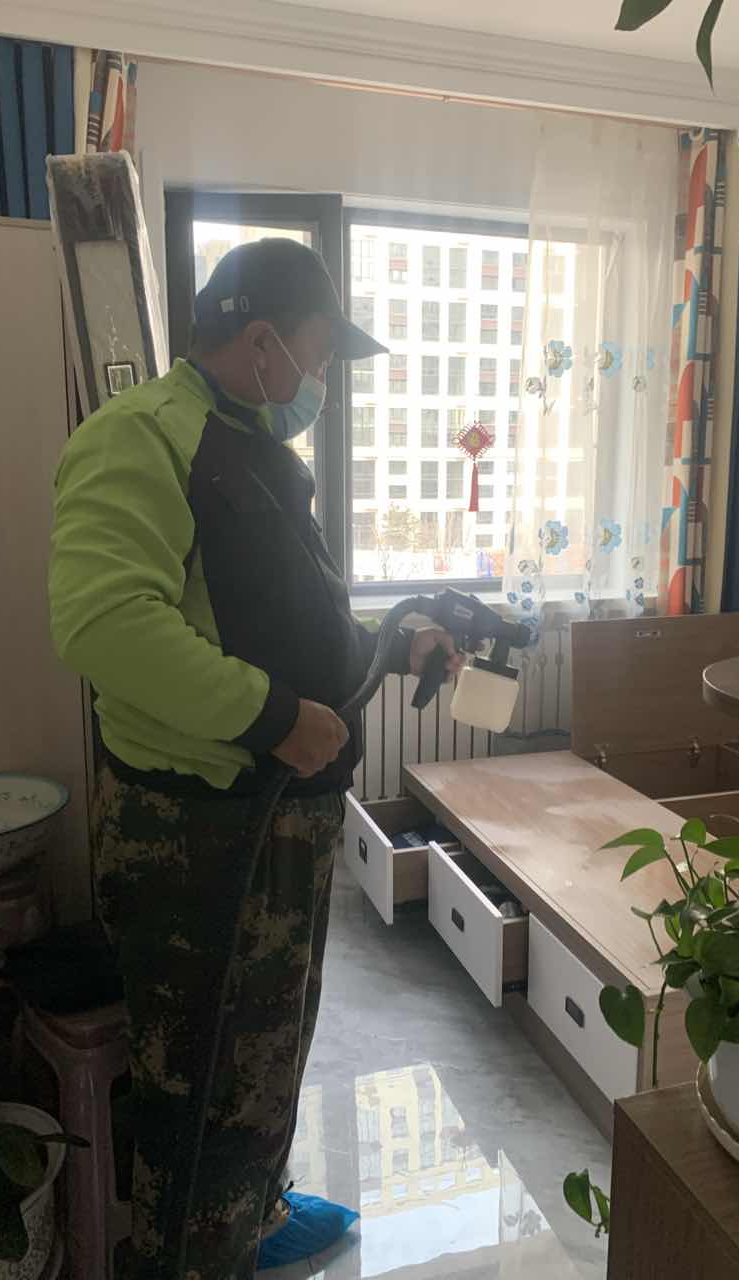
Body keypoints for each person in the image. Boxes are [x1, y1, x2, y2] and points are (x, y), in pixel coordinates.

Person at [48, 237, 463, 1279]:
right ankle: (194, 1258)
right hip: (199, 834)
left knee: (267, 1049)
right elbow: (105, 623)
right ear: (266, 342)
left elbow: (291, 617)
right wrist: (273, 716)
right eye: (320, 356)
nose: (322, 381)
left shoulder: (250, 445)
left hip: (279, 818)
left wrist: (399, 638)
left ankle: (256, 1212)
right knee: (202, 1080)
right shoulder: (140, 436)